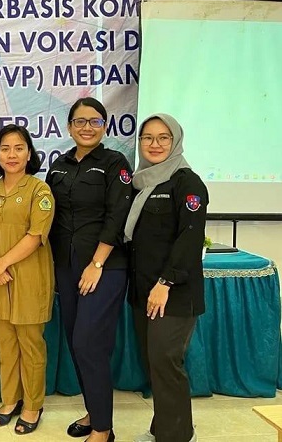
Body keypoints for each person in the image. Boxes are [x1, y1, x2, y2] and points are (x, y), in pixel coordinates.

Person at [45, 97, 133, 442]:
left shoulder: (115, 163)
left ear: (104, 127)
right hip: (66, 267)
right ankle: (94, 412)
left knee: (88, 343)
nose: (87, 127)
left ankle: (103, 429)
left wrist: (97, 263)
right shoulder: (59, 165)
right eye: (80, 121)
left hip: (104, 267)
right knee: (75, 341)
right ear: (69, 127)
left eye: (95, 121)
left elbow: (117, 215)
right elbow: (49, 216)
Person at [124, 114, 208, 442]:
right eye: (148, 137)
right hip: (143, 291)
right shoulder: (141, 183)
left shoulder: (187, 182)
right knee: (153, 365)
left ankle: (177, 437)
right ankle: (166, 429)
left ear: (175, 141)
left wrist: (165, 283)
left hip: (173, 294)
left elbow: (189, 238)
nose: (155, 144)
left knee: (165, 362)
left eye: (163, 137)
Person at [0, 125, 56, 435]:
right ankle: (10, 400)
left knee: (31, 345)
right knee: (5, 343)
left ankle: (32, 405)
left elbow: (36, 235)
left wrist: (1, 263)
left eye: (19, 148)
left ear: (29, 153)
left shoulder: (40, 190)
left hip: (29, 277)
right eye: (5, 148)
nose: (12, 154)